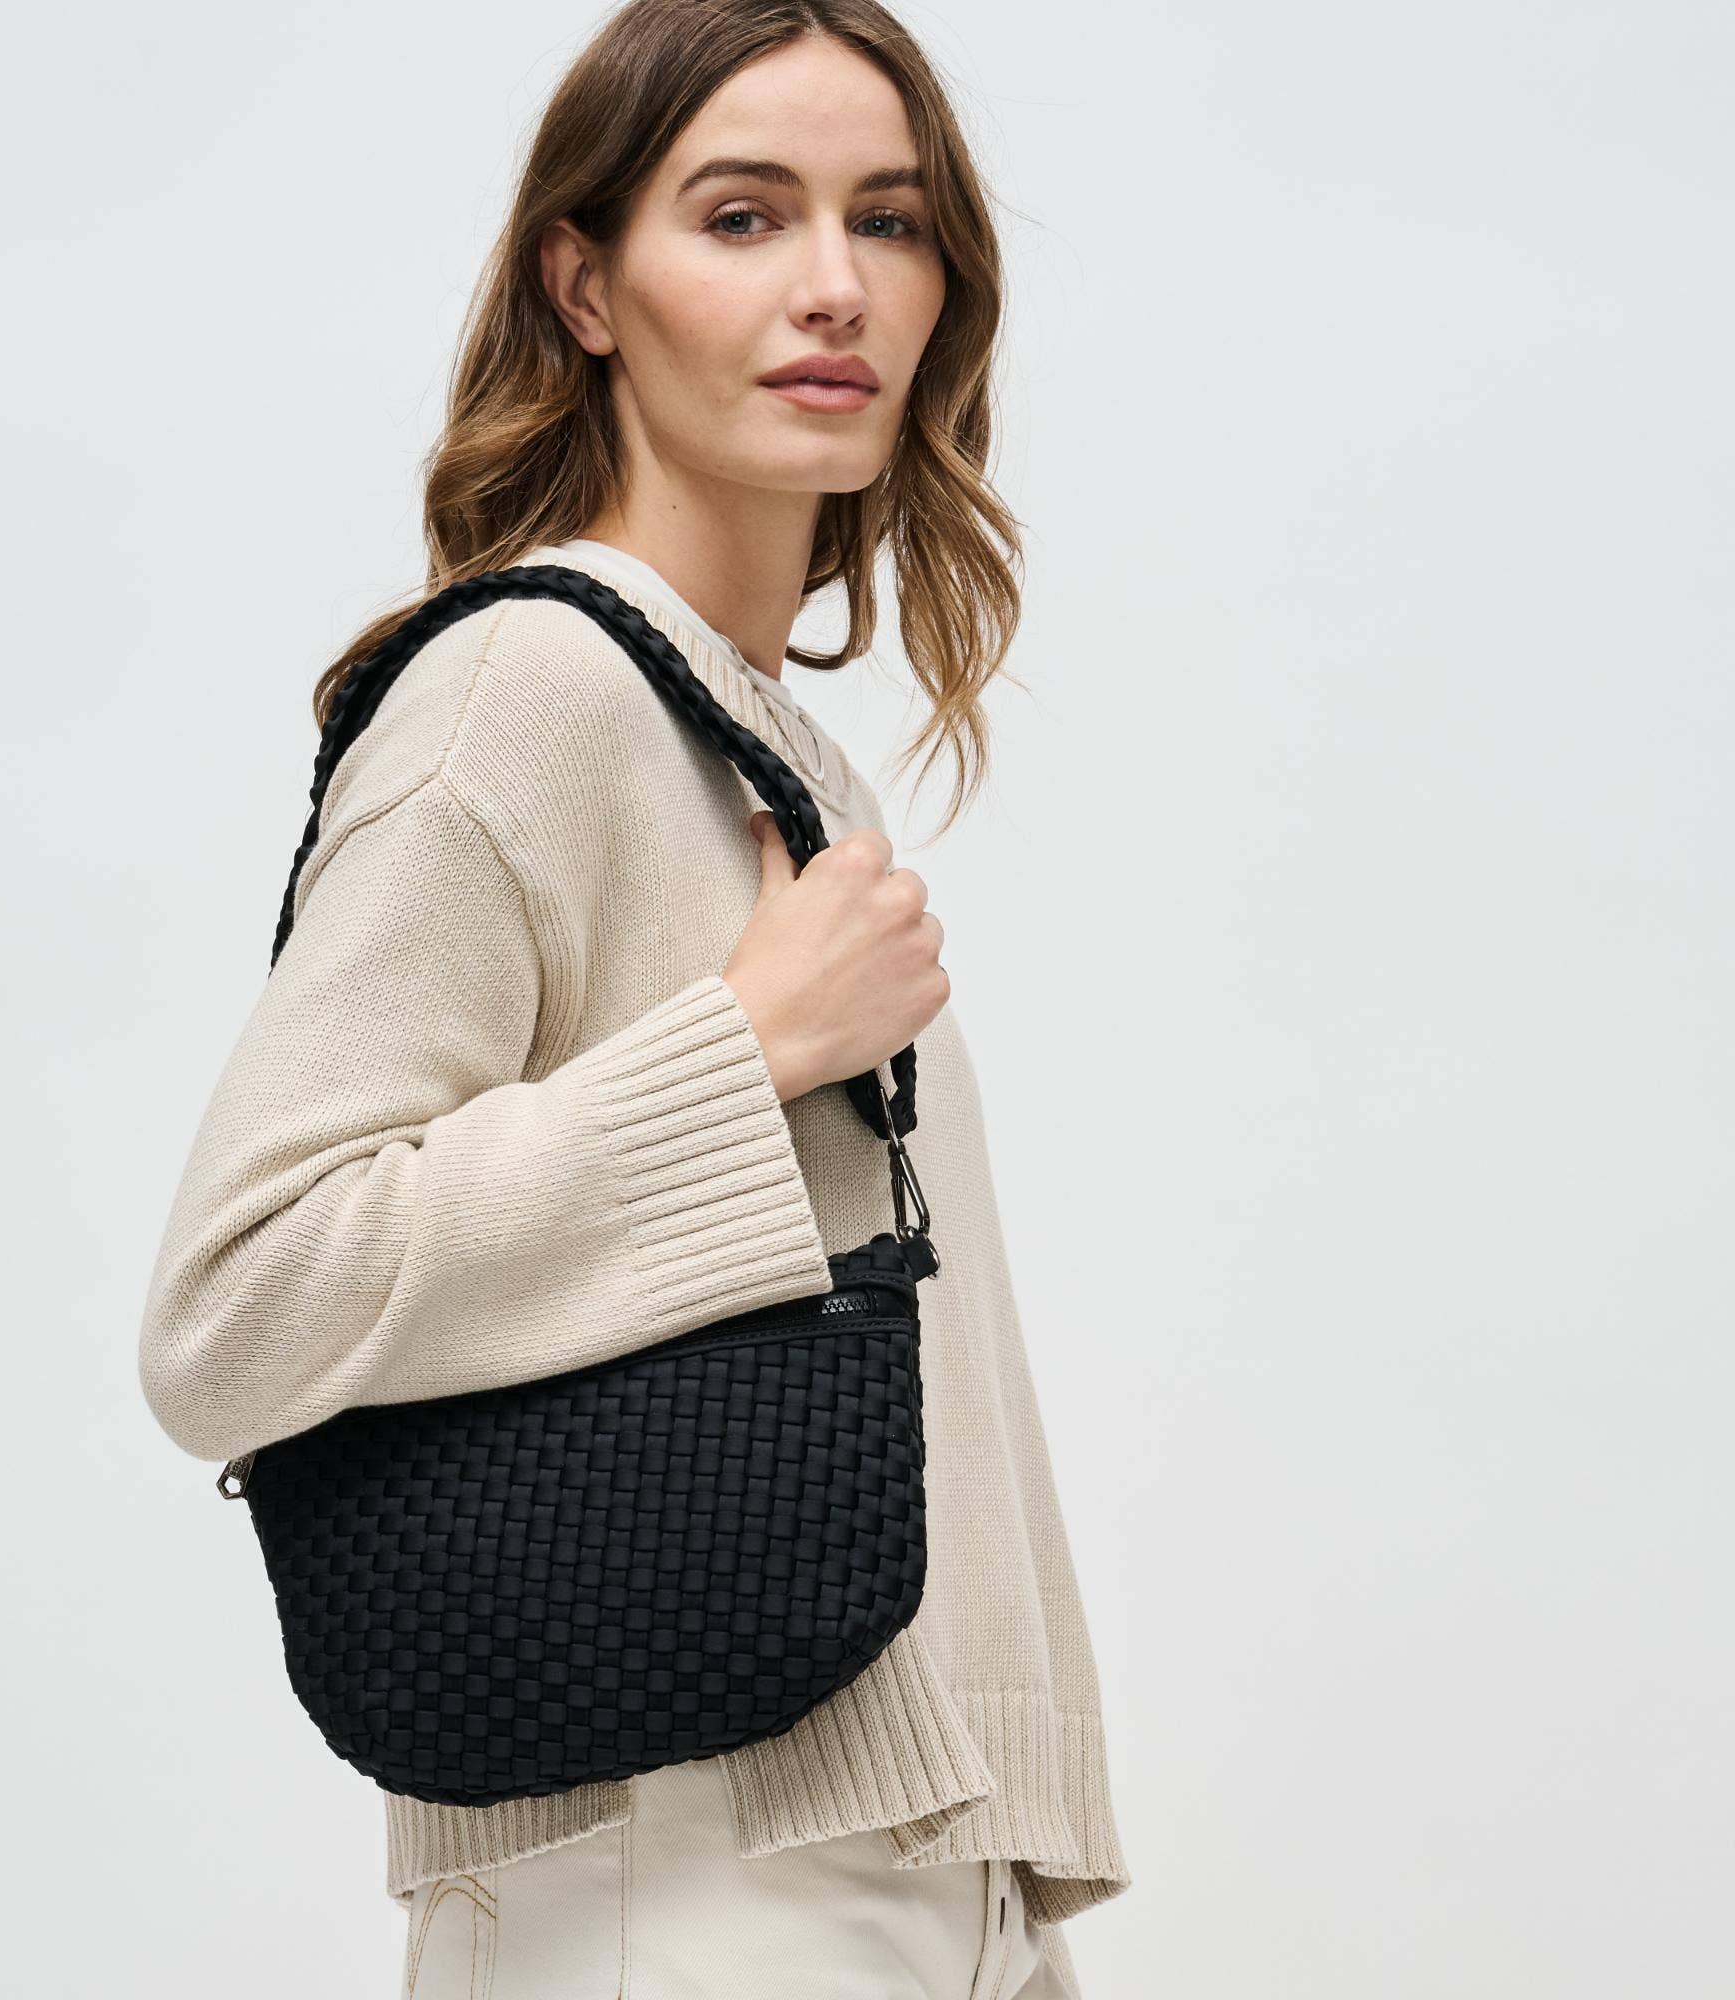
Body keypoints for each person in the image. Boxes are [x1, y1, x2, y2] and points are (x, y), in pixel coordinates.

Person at [136, 3, 1131, 1993]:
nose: (836, 287)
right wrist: (744, 1052)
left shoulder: (768, 747)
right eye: (743, 217)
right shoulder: (525, 694)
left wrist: (1005, 1890)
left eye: (890, 221)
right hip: (680, 1882)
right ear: (584, 286)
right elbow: (237, 1306)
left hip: (900, 1871)